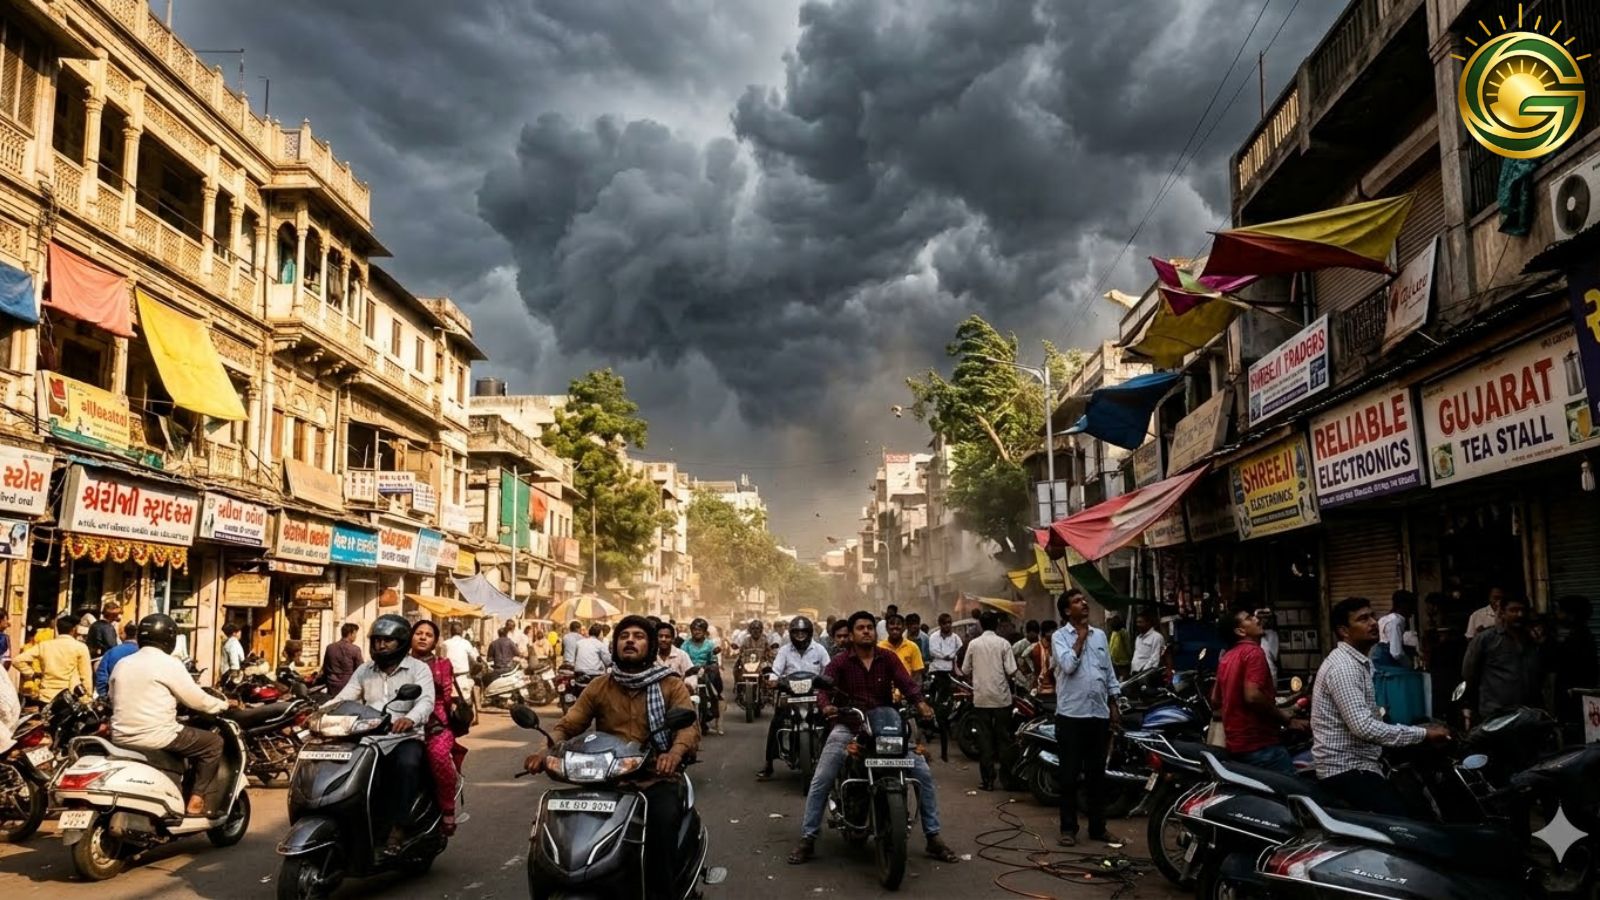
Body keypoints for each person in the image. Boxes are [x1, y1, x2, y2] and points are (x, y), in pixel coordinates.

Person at [524, 616, 700, 900]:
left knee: (660, 830)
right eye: (624, 636)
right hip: (605, 778)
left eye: (638, 636)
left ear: (651, 645)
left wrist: (674, 753)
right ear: (615, 645)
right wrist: (545, 750)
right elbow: (569, 725)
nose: (630, 640)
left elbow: (688, 727)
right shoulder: (600, 686)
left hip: (653, 778)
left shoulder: (670, 684)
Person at [790, 611, 959, 866]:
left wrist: (921, 703)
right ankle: (808, 838)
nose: (866, 631)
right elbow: (823, 689)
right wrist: (826, 706)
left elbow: (908, 684)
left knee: (922, 772)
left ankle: (933, 836)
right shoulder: (840, 662)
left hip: (885, 727)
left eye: (870, 627)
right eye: (861, 628)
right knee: (822, 777)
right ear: (853, 633)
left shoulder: (888, 658)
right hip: (849, 726)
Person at [1311, 597, 1449, 816]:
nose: (1373, 623)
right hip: (1347, 769)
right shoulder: (1344, 668)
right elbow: (1363, 727)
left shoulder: (1360, 662)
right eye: (1363, 619)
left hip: (1363, 763)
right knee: (1403, 825)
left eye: (1372, 616)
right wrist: (1423, 734)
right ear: (1344, 631)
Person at [326, 614, 436, 851]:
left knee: (407, 765)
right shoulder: (365, 670)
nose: (381, 645)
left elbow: (426, 702)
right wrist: (317, 714)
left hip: (404, 737)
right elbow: (344, 697)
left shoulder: (419, 669)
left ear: (402, 642)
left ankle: (399, 826)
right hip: (369, 737)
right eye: (377, 640)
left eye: (388, 641)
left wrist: (409, 718)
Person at [108, 614, 229, 816]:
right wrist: (221, 705)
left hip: (120, 736)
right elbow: (197, 700)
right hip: (158, 737)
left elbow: (113, 697)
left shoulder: (123, 663)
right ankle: (196, 800)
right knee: (213, 743)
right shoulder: (169, 663)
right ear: (170, 638)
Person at [1052, 590, 1121, 846]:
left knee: (1097, 776)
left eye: (1084, 600)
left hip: (1098, 714)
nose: (1084, 603)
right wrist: (1079, 638)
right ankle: (1068, 829)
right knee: (1069, 776)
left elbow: (1109, 673)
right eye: (1077, 601)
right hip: (1071, 716)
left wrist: (1113, 704)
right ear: (1068, 611)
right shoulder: (1059, 637)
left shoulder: (1101, 635)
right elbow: (1069, 666)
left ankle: (1098, 828)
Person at [1215, 609, 1303, 775]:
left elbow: (1215, 700)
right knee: (1296, 794)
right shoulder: (1253, 652)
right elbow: (1253, 696)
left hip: (1237, 745)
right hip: (1260, 744)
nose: (1256, 619)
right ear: (1240, 631)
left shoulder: (1227, 657)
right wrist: (1284, 718)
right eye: (1249, 618)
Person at [410, 620, 466, 835]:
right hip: (400, 723)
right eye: (419, 633)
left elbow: (445, 697)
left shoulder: (443, 664)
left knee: (439, 756)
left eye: (428, 635)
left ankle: (447, 810)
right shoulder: (399, 662)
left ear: (434, 641)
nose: (423, 637)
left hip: (435, 723)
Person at [758, 616, 831, 781]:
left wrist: (828, 681)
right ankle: (769, 764)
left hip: (815, 695)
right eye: (796, 632)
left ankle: (831, 762)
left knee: (828, 723)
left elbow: (828, 669)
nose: (800, 636)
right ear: (791, 634)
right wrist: (772, 680)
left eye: (803, 632)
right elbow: (776, 670)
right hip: (790, 694)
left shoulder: (819, 650)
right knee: (776, 722)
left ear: (809, 633)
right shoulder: (784, 650)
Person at [1462, 594, 1542, 725]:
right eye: (1514, 610)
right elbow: (1469, 674)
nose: (1519, 614)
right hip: (1496, 714)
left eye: (1522, 610)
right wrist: (1469, 706)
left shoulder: (1531, 640)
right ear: (1503, 613)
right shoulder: (1486, 639)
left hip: (1528, 712)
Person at [959, 610, 1017, 791]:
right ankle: (1007, 780)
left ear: (981, 625)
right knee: (1004, 739)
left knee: (984, 740)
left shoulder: (974, 644)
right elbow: (1012, 670)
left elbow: (965, 669)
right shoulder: (1004, 643)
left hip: (981, 698)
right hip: (1002, 698)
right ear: (997, 624)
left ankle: (988, 781)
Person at [15, 614, 93, 702]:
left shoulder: (44, 645)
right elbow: (86, 676)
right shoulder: (80, 647)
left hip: (46, 697)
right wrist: (88, 697)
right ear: (74, 629)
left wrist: (32, 674)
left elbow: (17, 660)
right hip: (69, 698)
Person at [1549, 596, 1598, 729]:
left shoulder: (1579, 639)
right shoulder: (1580, 635)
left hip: (1575, 702)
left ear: (1571, 615)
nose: (1557, 615)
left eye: (1560, 611)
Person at [681, 618, 723, 735]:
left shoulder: (710, 644)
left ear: (704, 631)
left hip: (705, 673)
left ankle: (713, 708)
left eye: (700, 630)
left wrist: (709, 667)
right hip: (689, 673)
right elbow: (682, 658)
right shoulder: (686, 644)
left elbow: (713, 660)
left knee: (714, 689)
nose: (697, 632)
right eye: (694, 629)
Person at [94, 621, 140, 696]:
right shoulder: (143, 652)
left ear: (124, 634)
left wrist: (105, 696)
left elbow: (101, 678)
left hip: (115, 697)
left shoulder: (111, 653)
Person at [926, 613, 962, 710]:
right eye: (945, 623)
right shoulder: (934, 637)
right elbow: (933, 651)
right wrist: (944, 656)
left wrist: (952, 656)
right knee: (937, 695)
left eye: (949, 623)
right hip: (937, 670)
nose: (947, 625)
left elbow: (960, 649)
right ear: (940, 624)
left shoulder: (955, 638)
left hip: (951, 671)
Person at [1375, 591, 1418, 670]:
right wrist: (1409, 665)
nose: (1413, 612)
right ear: (1404, 605)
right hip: (1389, 663)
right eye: (1412, 606)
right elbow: (1396, 652)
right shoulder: (1397, 621)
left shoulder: (1384, 619)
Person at [878, 613, 925, 680]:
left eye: (898, 624)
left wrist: (912, 689)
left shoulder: (913, 647)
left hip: (907, 689)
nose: (895, 626)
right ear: (886, 627)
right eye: (892, 623)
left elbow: (917, 674)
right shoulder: (879, 648)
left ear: (904, 627)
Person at [322, 623, 364, 696]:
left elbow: (325, 667)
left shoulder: (330, 647)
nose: (355, 636)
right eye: (355, 634)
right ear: (350, 634)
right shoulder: (355, 649)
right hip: (348, 686)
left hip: (332, 685)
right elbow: (361, 669)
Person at [1130, 609, 1166, 677]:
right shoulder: (1138, 638)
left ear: (1148, 622)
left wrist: (1143, 673)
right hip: (1135, 674)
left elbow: (1155, 658)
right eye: (1137, 622)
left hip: (1147, 675)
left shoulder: (1157, 637)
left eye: (1140, 622)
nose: (1138, 625)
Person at [1029, 619, 1057, 703]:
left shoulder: (1054, 645)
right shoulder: (1036, 648)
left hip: (1054, 687)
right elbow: (1023, 659)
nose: (1054, 633)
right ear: (1046, 632)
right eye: (1052, 631)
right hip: (1041, 687)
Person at [1012, 619, 1040, 688]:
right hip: (1023, 677)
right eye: (1032, 634)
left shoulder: (1041, 643)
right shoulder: (1020, 645)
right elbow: (1011, 657)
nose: (1034, 636)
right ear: (1028, 632)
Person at [1106, 613, 1132, 679]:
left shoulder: (1123, 632)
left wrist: (1130, 657)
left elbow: (1127, 645)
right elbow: (1111, 646)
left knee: (1124, 678)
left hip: (1123, 662)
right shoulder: (1114, 633)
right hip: (1115, 662)